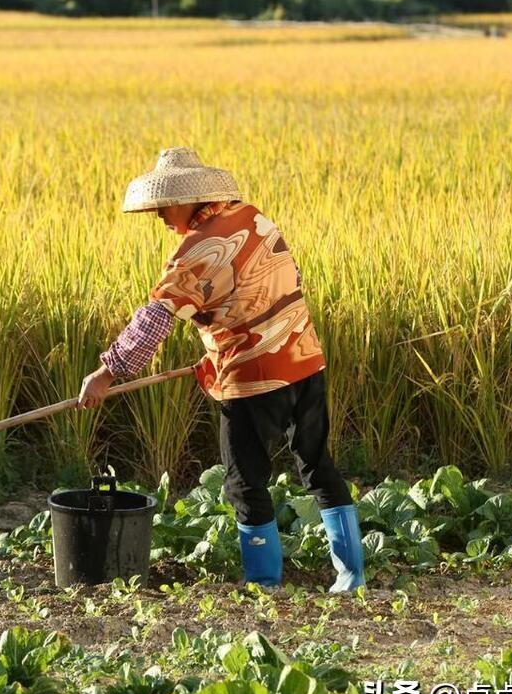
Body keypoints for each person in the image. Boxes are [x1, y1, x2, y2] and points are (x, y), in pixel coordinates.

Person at [77, 147, 365, 592]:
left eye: (163, 205)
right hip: (305, 362)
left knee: (244, 480)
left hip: (251, 381)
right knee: (317, 465)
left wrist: (106, 373)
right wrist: (219, 347)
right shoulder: (256, 220)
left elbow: (154, 319)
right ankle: (351, 576)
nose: (158, 216)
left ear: (189, 200)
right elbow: (283, 285)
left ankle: (264, 583)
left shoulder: (195, 251)